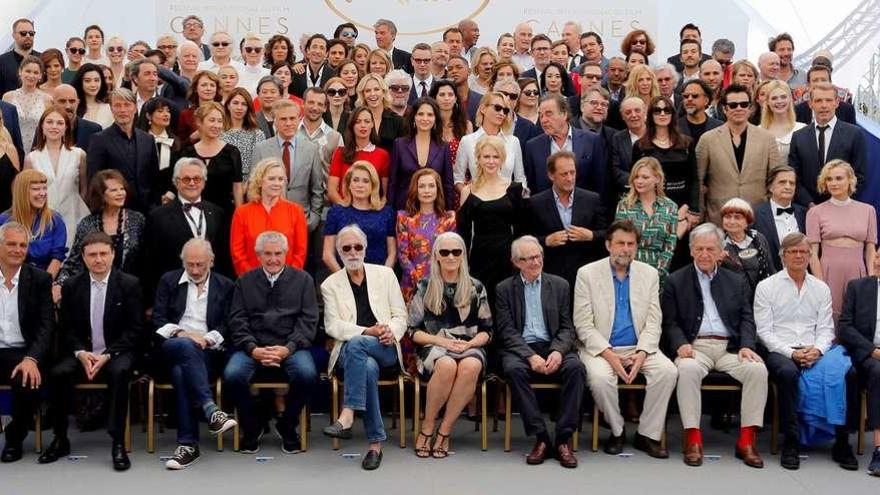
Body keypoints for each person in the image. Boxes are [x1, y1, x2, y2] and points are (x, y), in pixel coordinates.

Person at [661, 222, 767, 468]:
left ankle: (746, 441)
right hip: (695, 347)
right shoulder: (676, 280)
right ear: (691, 250)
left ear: (721, 251)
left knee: (757, 370)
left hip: (730, 348)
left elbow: (746, 318)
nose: (705, 254)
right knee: (686, 369)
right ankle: (693, 439)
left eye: (710, 249)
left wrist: (747, 345)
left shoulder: (736, 280)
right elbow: (670, 321)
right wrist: (680, 344)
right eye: (699, 249)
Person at [573, 219, 677, 458]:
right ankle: (617, 431)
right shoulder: (587, 274)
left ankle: (646, 434)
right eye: (620, 243)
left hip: (639, 346)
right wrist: (609, 354)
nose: (626, 249)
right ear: (608, 245)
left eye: (631, 244)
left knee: (668, 371)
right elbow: (583, 325)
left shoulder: (649, 274)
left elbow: (653, 320)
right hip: (600, 348)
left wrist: (642, 353)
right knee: (599, 378)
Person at [754, 232, 857, 471]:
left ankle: (842, 443)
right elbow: (765, 332)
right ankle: (791, 442)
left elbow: (826, 328)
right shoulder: (766, 287)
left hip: (815, 349)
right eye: (793, 251)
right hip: (780, 350)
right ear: (783, 256)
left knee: (848, 373)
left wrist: (819, 350)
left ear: (810, 256)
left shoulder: (821, 288)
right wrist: (792, 353)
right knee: (788, 374)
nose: (799, 256)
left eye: (803, 251)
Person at [41, 232, 144, 470]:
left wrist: (107, 354)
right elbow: (65, 329)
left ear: (113, 255)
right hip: (81, 354)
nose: (98, 259)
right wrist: (80, 353)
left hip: (116, 353)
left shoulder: (129, 284)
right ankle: (60, 438)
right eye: (92, 255)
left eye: (103, 254)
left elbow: (135, 330)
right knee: (57, 373)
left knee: (120, 373)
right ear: (84, 257)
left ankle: (118, 442)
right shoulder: (72, 285)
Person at [320, 225, 407, 470]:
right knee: (364, 362)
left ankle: (348, 413)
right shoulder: (330, 285)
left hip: (385, 347)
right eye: (346, 248)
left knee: (362, 349)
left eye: (357, 247)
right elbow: (332, 326)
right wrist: (365, 331)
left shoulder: (385, 275)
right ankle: (375, 445)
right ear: (339, 253)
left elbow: (401, 315)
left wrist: (390, 331)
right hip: (351, 353)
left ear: (366, 249)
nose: (352, 252)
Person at [223, 230, 319, 454]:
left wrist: (289, 348)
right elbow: (237, 321)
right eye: (267, 254)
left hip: (291, 347)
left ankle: (287, 425)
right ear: (258, 255)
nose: (273, 259)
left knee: (307, 374)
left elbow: (309, 321)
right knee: (232, 375)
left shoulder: (303, 280)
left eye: (278, 253)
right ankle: (252, 426)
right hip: (254, 347)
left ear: (286, 253)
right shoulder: (244, 282)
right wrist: (252, 349)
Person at [495, 235, 585, 467]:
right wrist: (530, 355)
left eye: (538, 256)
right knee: (513, 370)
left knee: (576, 367)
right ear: (517, 262)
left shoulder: (560, 285)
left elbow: (567, 327)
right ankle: (541, 438)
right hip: (521, 349)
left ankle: (563, 439)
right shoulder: (504, 289)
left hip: (553, 344)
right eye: (528, 259)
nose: (535, 262)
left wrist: (557, 351)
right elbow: (506, 332)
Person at [153, 238, 237, 470]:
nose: (195, 270)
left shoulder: (225, 285)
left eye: (200, 264)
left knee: (182, 372)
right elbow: (158, 320)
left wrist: (207, 338)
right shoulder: (168, 281)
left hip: (207, 353)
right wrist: (183, 334)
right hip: (172, 346)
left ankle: (188, 445)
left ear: (211, 261)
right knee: (185, 347)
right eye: (190, 265)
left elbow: (228, 325)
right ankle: (211, 409)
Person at [408, 232, 492, 459]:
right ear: (436, 255)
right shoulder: (425, 285)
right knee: (446, 365)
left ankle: (444, 431)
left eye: (456, 251)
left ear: (463, 255)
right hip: (434, 345)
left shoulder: (476, 287)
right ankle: (427, 428)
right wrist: (442, 341)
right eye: (445, 252)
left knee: (471, 366)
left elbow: (487, 331)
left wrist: (468, 345)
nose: (451, 256)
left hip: (470, 345)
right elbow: (413, 332)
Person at [0, 221, 54, 464]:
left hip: (24, 352)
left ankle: (14, 439)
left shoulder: (40, 279)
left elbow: (46, 326)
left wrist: (32, 359)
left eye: (23, 245)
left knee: (28, 379)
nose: (18, 249)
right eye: (11, 244)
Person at [696, 84, 783, 225]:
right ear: (724, 109)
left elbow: (775, 178)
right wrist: (700, 214)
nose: (739, 108)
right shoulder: (708, 139)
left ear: (750, 108)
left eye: (743, 104)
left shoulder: (767, 138)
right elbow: (698, 181)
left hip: (757, 216)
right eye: (733, 105)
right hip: (719, 216)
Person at [806, 160, 876, 320]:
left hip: (858, 271)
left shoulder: (868, 210)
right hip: (828, 272)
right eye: (829, 179)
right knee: (830, 317)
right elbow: (812, 253)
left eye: (839, 178)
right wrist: (819, 283)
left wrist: (871, 278)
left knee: (859, 316)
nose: (833, 183)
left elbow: (870, 248)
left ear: (850, 180)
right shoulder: (815, 212)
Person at [145, 157, 231, 289]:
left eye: (197, 179)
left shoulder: (218, 213)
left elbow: (224, 255)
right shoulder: (158, 217)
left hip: (212, 290)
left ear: (204, 182)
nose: (192, 183)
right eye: (186, 179)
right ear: (176, 182)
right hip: (174, 290)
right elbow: (150, 261)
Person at [528, 150, 606, 292]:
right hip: (551, 276)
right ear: (551, 175)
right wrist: (546, 241)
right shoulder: (536, 203)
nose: (570, 178)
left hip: (585, 275)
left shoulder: (592, 199)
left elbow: (607, 234)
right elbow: (524, 239)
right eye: (564, 174)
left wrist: (591, 235)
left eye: (572, 172)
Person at [56, 170, 145, 293]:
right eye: (114, 190)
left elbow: (146, 261)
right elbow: (74, 261)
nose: (120, 193)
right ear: (101, 195)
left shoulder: (138, 220)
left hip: (130, 291)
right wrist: (59, 284)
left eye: (122, 189)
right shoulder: (87, 224)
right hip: (95, 290)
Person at [252, 99, 324, 231]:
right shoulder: (261, 149)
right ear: (275, 121)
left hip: (302, 221)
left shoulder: (311, 149)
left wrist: (313, 220)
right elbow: (254, 188)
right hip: (267, 221)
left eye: (292, 118)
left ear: (299, 119)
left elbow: (317, 189)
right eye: (283, 119)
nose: (288, 123)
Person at [789, 82, 865, 207]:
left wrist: (839, 201)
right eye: (818, 101)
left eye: (828, 100)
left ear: (837, 102)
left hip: (843, 208)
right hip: (807, 210)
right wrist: (809, 203)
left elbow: (859, 176)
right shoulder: (798, 136)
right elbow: (794, 177)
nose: (824, 105)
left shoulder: (854, 134)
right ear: (810, 104)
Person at [838, 252, 880, 476]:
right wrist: (872, 351)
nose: (879, 261)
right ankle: (879, 451)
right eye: (879, 257)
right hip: (869, 355)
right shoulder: (858, 287)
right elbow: (845, 327)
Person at [24, 107, 89, 248]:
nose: (54, 126)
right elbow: (25, 193)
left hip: (73, 217)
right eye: (50, 122)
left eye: (59, 123)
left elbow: (84, 189)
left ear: (66, 127)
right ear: (42, 126)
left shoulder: (78, 155)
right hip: (41, 221)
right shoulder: (32, 158)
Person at [231, 157, 308, 275]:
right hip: (252, 282)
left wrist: (289, 279)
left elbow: (300, 252)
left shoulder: (296, 211)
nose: (277, 183)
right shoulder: (242, 213)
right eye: (272, 179)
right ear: (260, 181)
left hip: (288, 282)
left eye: (281, 179)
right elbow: (238, 253)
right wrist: (252, 279)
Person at [86, 88, 159, 213]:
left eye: (127, 105)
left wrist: (154, 206)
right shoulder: (99, 140)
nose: (123, 110)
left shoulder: (147, 139)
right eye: (117, 105)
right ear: (111, 109)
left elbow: (154, 177)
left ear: (135, 108)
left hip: (147, 211)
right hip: (114, 211)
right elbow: (94, 180)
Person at [632, 96, 698, 228]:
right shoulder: (640, 146)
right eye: (657, 110)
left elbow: (694, 179)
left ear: (673, 114)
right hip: (651, 207)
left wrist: (690, 209)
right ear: (650, 115)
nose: (662, 114)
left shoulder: (687, 143)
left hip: (682, 208)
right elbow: (636, 180)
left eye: (667, 110)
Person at [524, 94, 605, 198]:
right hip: (547, 211)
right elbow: (533, 188)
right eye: (541, 115)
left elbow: (601, 183)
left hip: (583, 210)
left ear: (564, 114)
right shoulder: (532, 146)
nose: (543, 120)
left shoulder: (592, 140)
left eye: (549, 114)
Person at [615, 157, 680, 286]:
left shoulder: (670, 207)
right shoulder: (624, 206)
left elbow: (669, 245)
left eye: (645, 177)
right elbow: (619, 241)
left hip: (658, 272)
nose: (639, 181)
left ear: (657, 179)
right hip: (629, 269)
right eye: (636, 177)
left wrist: (658, 273)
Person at [396, 168, 456, 301]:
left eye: (431, 186)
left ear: (438, 189)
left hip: (442, 285)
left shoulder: (449, 218)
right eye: (422, 186)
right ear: (415, 190)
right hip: (412, 287)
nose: (427, 190)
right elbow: (403, 256)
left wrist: (438, 283)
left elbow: (452, 254)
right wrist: (422, 283)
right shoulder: (404, 218)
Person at [323, 161, 396, 270]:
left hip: (379, 277)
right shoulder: (336, 212)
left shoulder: (386, 213)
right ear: (348, 184)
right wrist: (344, 280)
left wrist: (383, 278)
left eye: (366, 181)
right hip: (345, 277)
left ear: (373, 185)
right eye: (355, 180)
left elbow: (392, 254)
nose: (360, 185)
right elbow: (327, 254)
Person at [388, 97, 454, 211]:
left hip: (435, 212)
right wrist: (390, 211)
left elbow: (448, 185)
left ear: (435, 119)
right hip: (404, 209)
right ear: (414, 117)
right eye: (420, 114)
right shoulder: (400, 144)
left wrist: (448, 212)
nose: (425, 118)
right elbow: (393, 182)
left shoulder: (444, 147)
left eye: (430, 115)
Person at [180, 101, 243, 217]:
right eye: (212, 120)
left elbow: (237, 186)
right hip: (194, 212)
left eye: (220, 121)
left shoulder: (232, 152)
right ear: (199, 122)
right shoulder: (187, 152)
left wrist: (239, 215)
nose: (216, 125)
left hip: (224, 214)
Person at [455, 92, 526, 191]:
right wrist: (470, 197)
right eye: (497, 108)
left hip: (508, 202)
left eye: (505, 110)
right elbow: (458, 179)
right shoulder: (467, 141)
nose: (501, 113)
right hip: (477, 202)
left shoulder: (513, 141)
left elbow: (520, 178)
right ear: (483, 109)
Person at [0, 170, 67, 275]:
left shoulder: (55, 220)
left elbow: (57, 257)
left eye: (44, 188)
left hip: (44, 279)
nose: (42, 193)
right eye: (36, 189)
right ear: (22, 192)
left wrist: (44, 283)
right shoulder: (4, 220)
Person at [329, 106, 389, 205]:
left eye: (367, 121)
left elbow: (385, 195)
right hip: (345, 210)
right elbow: (332, 190)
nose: (363, 125)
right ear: (352, 125)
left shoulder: (383, 155)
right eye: (358, 121)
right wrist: (345, 208)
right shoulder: (340, 152)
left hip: (371, 213)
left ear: (372, 124)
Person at [719, 198, 776, 296]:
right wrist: (717, 262)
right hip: (735, 300)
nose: (732, 221)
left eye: (737, 217)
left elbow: (771, 269)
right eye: (728, 216)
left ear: (747, 221)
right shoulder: (718, 244)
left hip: (763, 297)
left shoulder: (758, 238)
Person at [753, 166, 806, 272]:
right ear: (770, 187)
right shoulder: (755, 214)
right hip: (770, 278)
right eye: (782, 182)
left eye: (792, 183)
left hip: (802, 276)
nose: (788, 186)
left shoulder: (804, 213)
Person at [2, 56, 53, 150]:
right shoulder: (8, 97)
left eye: (36, 72)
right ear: (20, 72)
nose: (31, 76)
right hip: (12, 149)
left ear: (40, 76)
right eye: (28, 71)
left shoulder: (47, 99)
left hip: (37, 151)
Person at [429, 79, 473, 189]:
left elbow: (471, 157)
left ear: (456, 98)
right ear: (434, 98)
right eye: (442, 94)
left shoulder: (466, 125)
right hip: (434, 182)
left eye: (450, 94)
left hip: (460, 182)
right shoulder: (427, 124)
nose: (447, 98)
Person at [140, 97, 181, 201]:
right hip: (144, 196)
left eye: (168, 111)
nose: (166, 114)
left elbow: (178, 172)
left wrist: (171, 194)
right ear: (149, 116)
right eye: (160, 111)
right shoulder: (139, 140)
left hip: (170, 197)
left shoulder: (175, 141)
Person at [220, 87, 264, 181]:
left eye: (244, 104)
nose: (239, 108)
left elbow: (259, 166)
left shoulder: (257, 134)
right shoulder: (218, 132)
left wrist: (246, 186)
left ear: (248, 108)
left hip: (249, 184)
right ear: (228, 105)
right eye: (235, 103)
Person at [355, 73, 404, 153]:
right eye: (368, 91)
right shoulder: (355, 119)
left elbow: (402, 152)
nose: (372, 94)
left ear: (384, 92)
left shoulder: (398, 121)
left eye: (376, 89)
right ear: (363, 95)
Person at [760, 80, 806, 162]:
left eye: (783, 97)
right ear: (767, 102)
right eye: (774, 98)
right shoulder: (758, 131)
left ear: (790, 99)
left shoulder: (802, 129)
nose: (779, 101)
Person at [609, 97, 647, 192]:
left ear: (645, 112)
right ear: (622, 117)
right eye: (628, 112)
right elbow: (615, 169)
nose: (633, 115)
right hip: (628, 193)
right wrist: (636, 182)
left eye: (637, 110)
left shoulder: (657, 134)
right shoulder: (616, 139)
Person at [51, 84, 101, 152]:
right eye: (62, 101)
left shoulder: (93, 130)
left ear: (78, 102)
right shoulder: (44, 129)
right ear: (53, 103)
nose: (68, 106)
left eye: (72, 101)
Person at [0, 19, 41, 96]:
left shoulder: (42, 59)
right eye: (23, 33)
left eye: (31, 33)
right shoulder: (2, 61)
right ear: (14, 35)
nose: (28, 36)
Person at [678, 79, 722, 143]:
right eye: (686, 96)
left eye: (695, 96)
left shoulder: (719, 127)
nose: (689, 99)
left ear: (706, 101)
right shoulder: (675, 126)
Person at [71, 63, 113, 129]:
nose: (93, 85)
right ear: (80, 82)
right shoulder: (73, 107)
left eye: (96, 80)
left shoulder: (108, 108)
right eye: (87, 81)